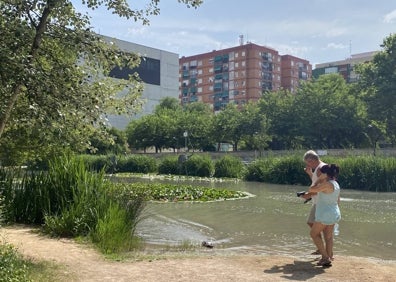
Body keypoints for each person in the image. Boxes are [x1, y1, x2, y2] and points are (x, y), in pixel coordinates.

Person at [308, 164, 341, 267]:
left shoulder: (327, 185)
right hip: (334, 212)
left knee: (313, 234)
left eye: (322, 173)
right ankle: (329, 255)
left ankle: (325, 257)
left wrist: (318, 180)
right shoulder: (335, 184)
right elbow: (338, 199)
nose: (320, 174)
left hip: (325, 214)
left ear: (326, 174)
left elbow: (311, 189)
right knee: (328, 236)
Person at [300, 150, 327, 254]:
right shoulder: (318, 168)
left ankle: (322, 251)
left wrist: (308, 195)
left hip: (320, 202)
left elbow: (321, 188)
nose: (307, 164)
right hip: (317, 202)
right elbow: (315, 182)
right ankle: (321, 248)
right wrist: (310, 173)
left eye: (307, 162)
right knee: (311, 223)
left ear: (312, 160)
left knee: (314, 227)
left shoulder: (320, 169)